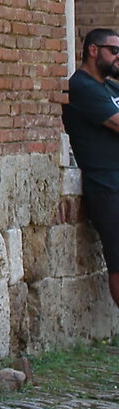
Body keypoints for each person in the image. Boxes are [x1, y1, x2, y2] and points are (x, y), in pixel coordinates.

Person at [62, 26, 119, 308]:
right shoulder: (81, 86)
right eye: (115, 51)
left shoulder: (109, 87)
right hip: (107, 184)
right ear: (93, 50)